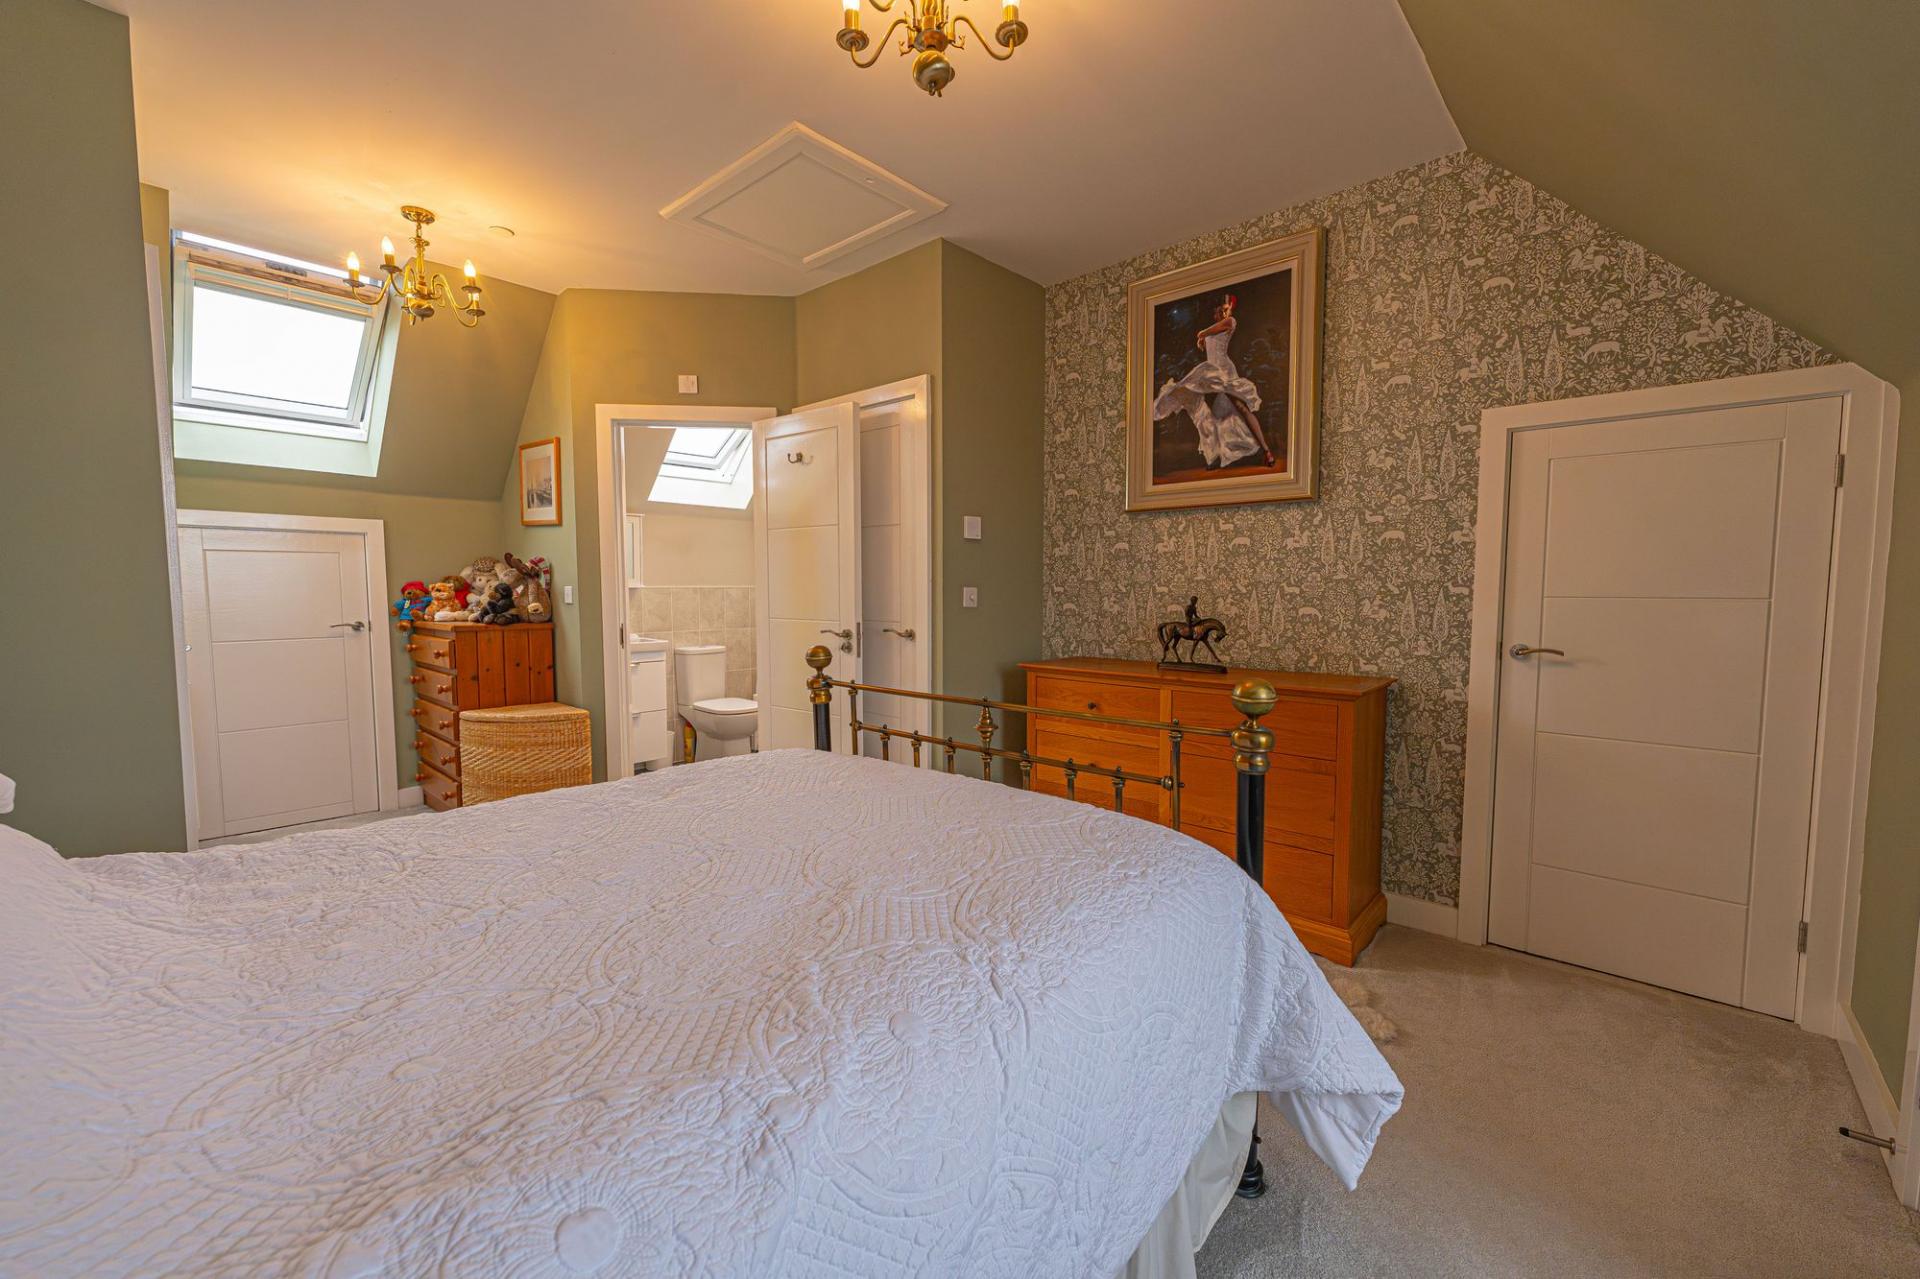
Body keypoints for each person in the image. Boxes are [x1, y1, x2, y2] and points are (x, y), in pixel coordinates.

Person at [1151, 294, 1276, 469]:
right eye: (1221, 310)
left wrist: (1202, 336)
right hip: (1211, 372)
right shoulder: (1216, 327)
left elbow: (1202, 333)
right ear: (1215, 312)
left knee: (1240, 407)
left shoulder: (1230, 321)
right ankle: (1215, 455)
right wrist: (1203, 339)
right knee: (1210, 413)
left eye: (1227, 310)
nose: (1225, 313)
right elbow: (1206, 337)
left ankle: (1266, 451)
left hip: (1223, 371)